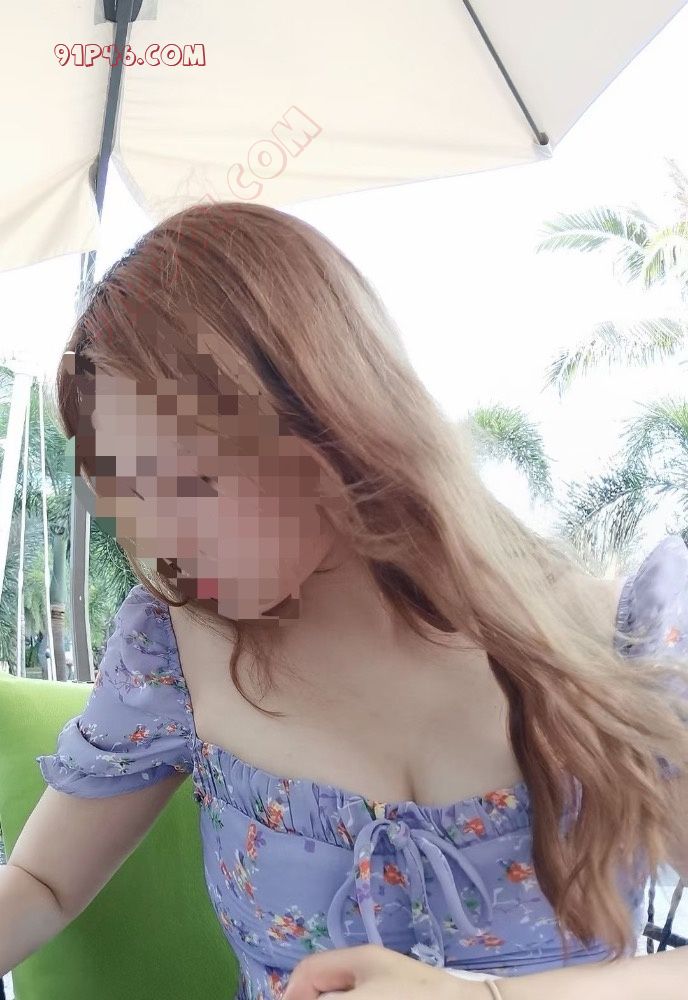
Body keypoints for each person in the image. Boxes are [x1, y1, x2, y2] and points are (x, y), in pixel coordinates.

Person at [2, 201, 687, 999]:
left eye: (190, 481)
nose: (155, 539)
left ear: (332, 423)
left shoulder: (628, 637)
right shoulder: (174, 648)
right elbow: (43, 884)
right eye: (127, 492)